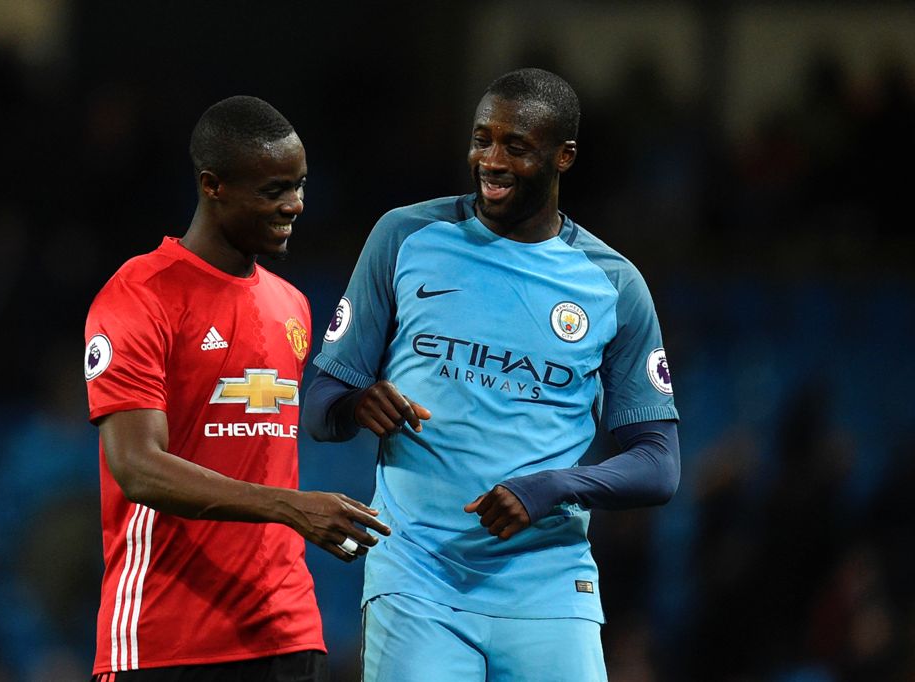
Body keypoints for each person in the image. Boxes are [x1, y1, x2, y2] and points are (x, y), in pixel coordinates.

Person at [302, 68, 681, 681]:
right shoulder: (405, 237)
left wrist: (551, 488)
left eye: (516, 147)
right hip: (416, 575)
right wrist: (355, 405)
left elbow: (658, 464)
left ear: (565, 156)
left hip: (549, 585)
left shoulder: (611, 284)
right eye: (483, 140)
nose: (492, 161)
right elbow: (321, 406)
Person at [82, 95, 390, 681]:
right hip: (165, 637)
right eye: (273, 190)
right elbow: (138, 467)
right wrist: (290, 509)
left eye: (299, 186)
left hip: (286, 631)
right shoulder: (140, 295)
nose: (294, 205)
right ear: (213, 185)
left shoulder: (293, 305)